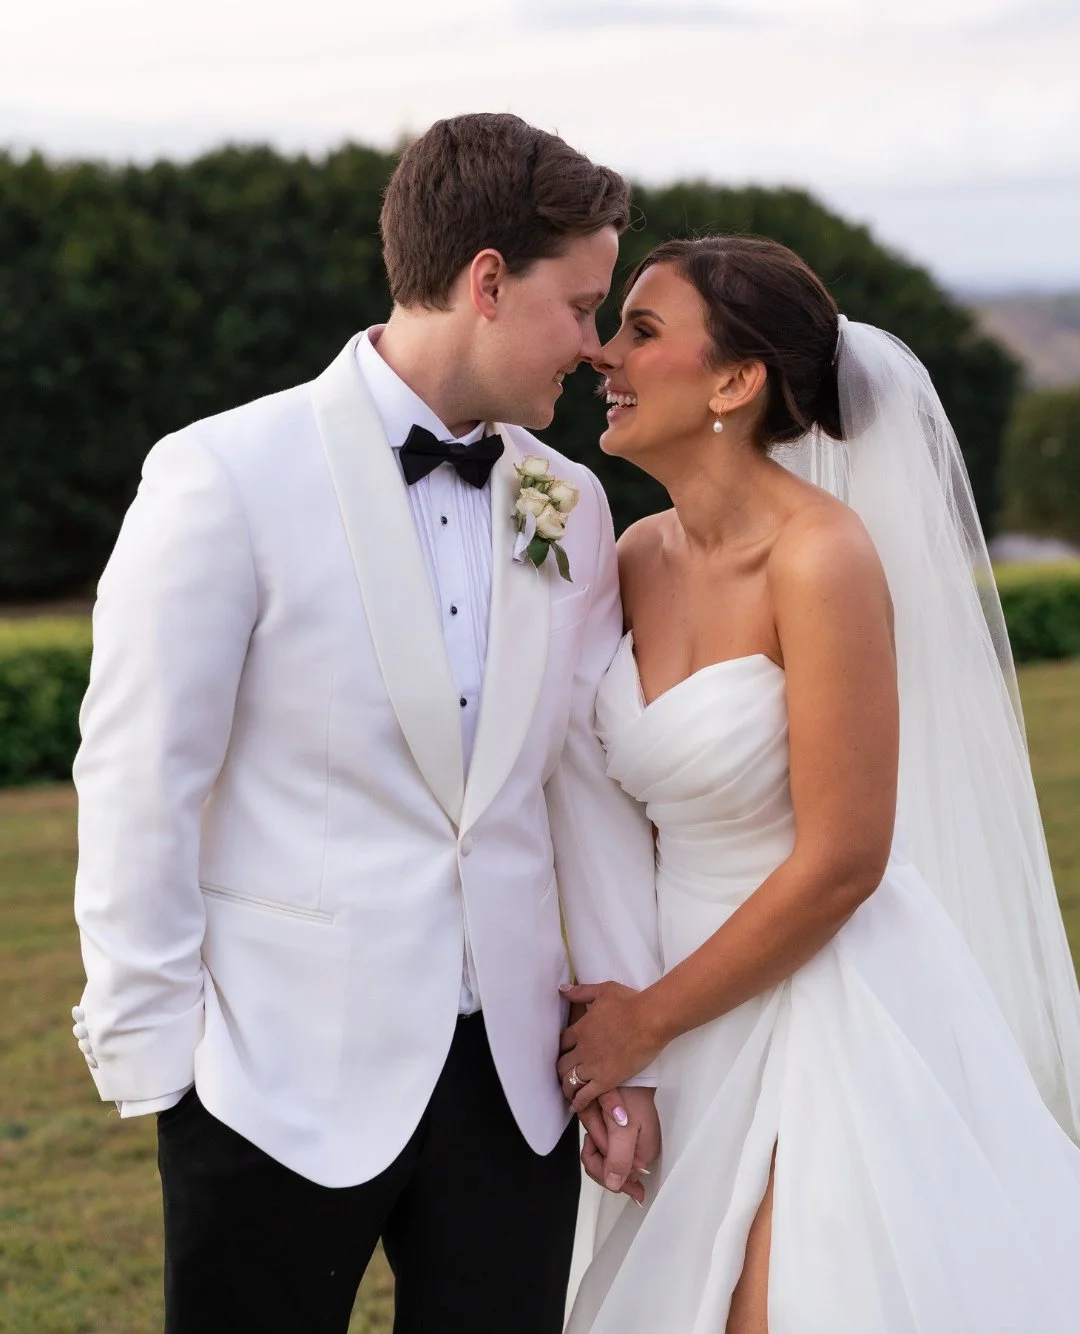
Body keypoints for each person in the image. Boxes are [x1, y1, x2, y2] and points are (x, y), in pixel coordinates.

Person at [69, 112, 662, 1334]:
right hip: (274, 1077)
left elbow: (584, 786)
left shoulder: (569, 498)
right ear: (487, 282)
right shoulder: (222, 474)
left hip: (514, 1086)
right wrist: (161, 1058)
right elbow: (138, 776)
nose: (596, 345)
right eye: (580, 305)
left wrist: (625, 1046)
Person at [557, 235, 1080, 1333]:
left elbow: (846, 858)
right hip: (676, 1003)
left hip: (821, 993)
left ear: (735, 383)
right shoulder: (634, 554)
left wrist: (645, 1023)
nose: (604, 354)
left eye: (642, 331)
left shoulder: (821, 556)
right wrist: (629, 1022)